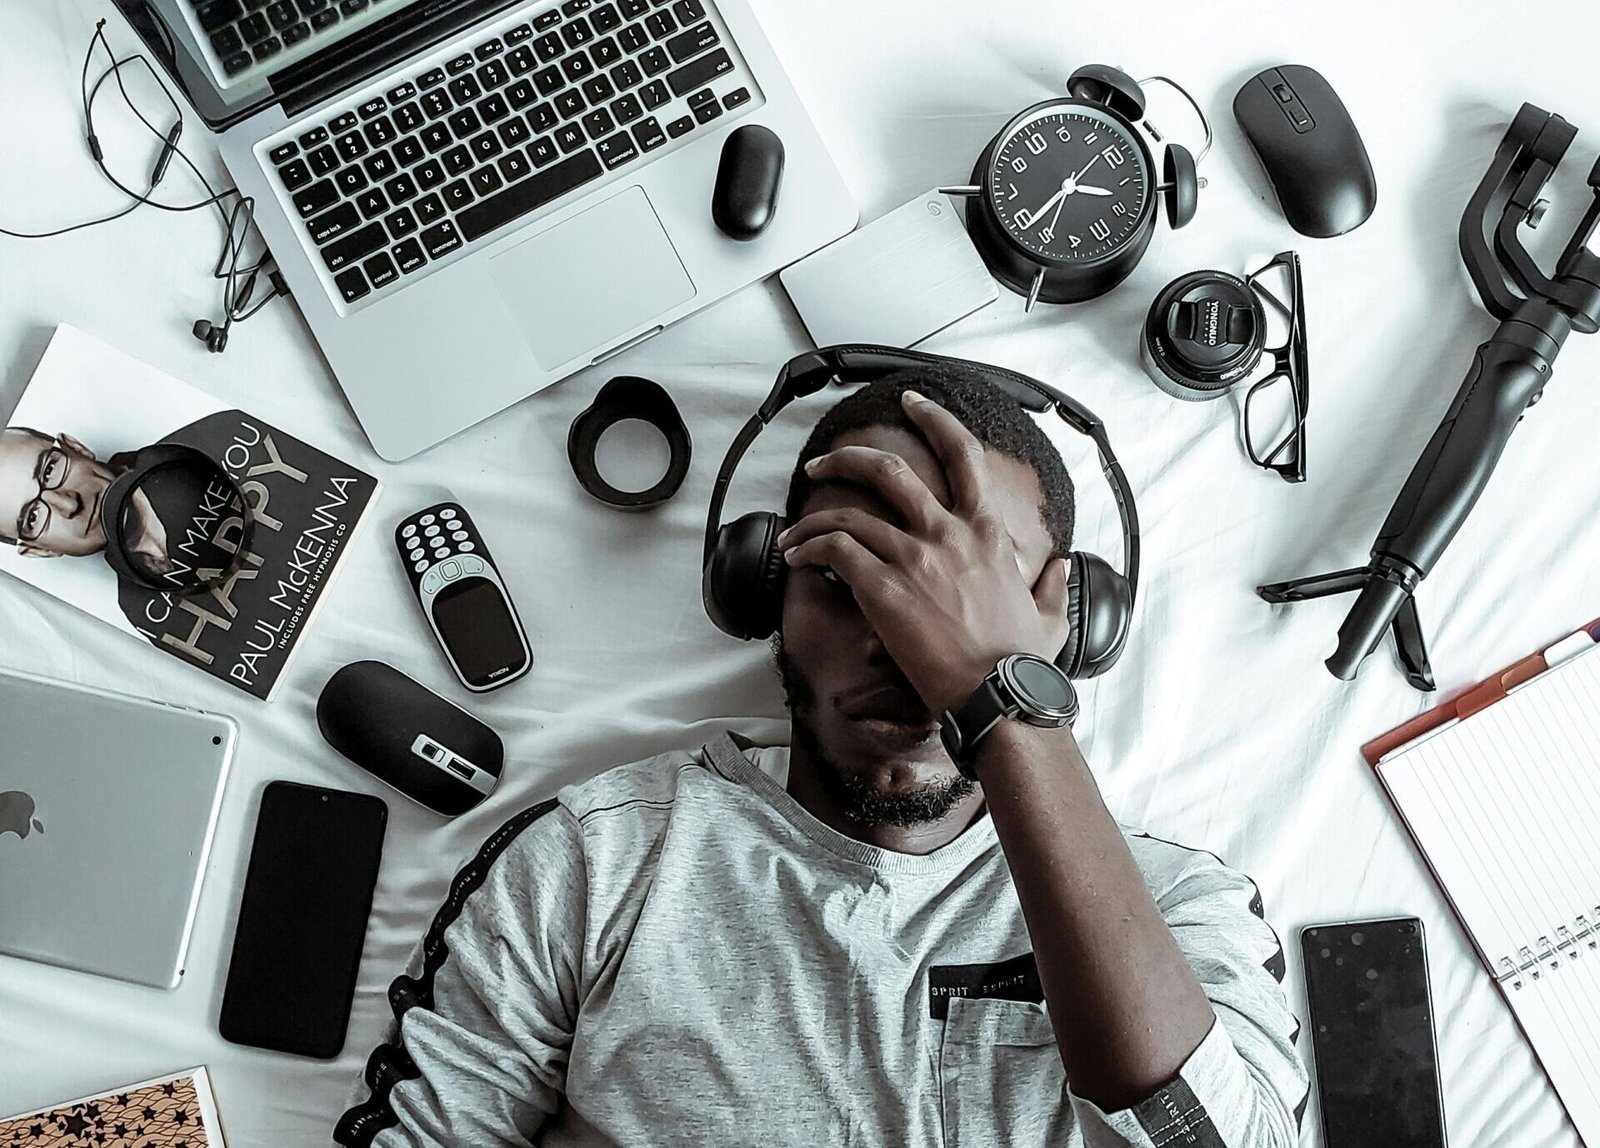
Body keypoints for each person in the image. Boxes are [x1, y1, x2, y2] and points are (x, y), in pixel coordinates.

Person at [335, 365, 1308, 1148]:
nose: (905, 641)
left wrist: (999, 696)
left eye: (969, 594)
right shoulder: (587, 865)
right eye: (854, 574)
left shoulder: (1181, 908)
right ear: (766, 597)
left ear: (1069, 623)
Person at [0, 425, 172, 583]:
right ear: (40, 550)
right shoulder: (137, 610)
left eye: (49, 470)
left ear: (75, 448)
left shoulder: (185, 449)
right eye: (32, 518)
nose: (70, 505)